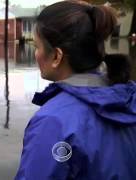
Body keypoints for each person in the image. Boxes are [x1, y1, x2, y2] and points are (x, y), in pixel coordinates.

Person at [15, 1, 136, 179]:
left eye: (37, 47)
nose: (36, 54)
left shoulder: (53, 122)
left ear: (57, 56)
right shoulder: (130, 98)